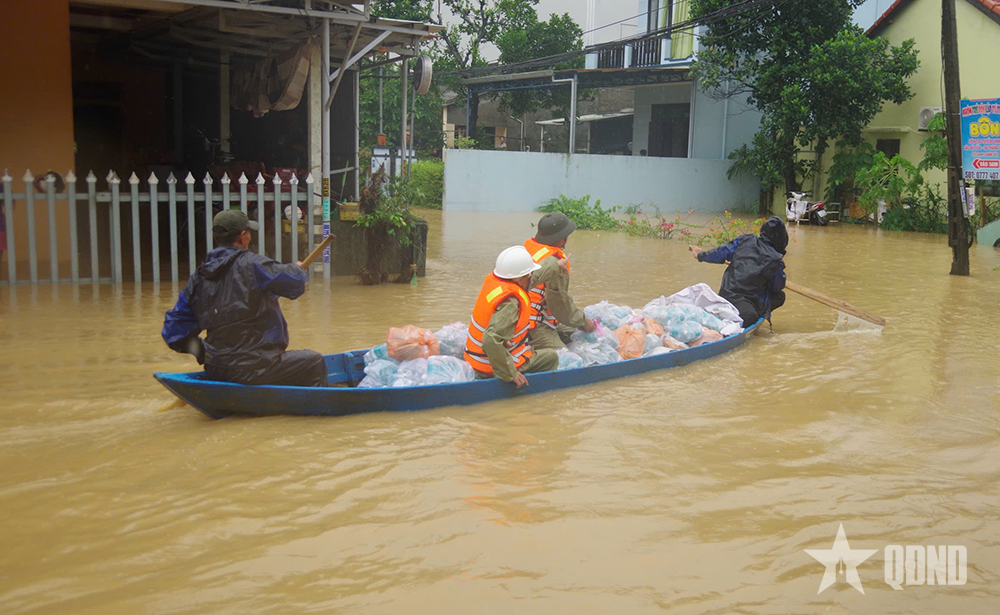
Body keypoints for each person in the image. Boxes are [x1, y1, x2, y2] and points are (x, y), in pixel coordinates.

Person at [161, 209, 328, 387]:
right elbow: (294, 284)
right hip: (257, 367)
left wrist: (204, 353)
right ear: (242, 237)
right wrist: (297, 269)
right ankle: (321, 411)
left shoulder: (198, 278)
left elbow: (174, 333)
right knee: (314, 361)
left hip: (216, 369)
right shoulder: (254, 265)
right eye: (249, 232)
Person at [464, 246, 559, 388]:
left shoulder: (498, 283)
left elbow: (533, 277)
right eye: (530, 275)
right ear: (520, 278)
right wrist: (510, 373)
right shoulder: (511, 303)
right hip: (488, 367)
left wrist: (556, 264)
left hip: (474, 358)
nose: (533, 278)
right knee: (551, 357)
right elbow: (491, 339)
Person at [689, 216, 788, 326]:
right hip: (746, 300)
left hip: (726, 293)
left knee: (776, 296)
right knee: (779, 297)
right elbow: (776, 287)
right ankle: (746, 317)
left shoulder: (745, 239)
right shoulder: (775, 260)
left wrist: (700, 255)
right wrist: (779, 274)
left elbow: (720, 252)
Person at [523, 212, 595, 350]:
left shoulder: (529, 248)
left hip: (518, 317)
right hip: (532, 325)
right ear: (562, 238)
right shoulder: (556, 261)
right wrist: (583, 321)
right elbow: (559, 303)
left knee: (571, 329)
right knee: (562, 357)